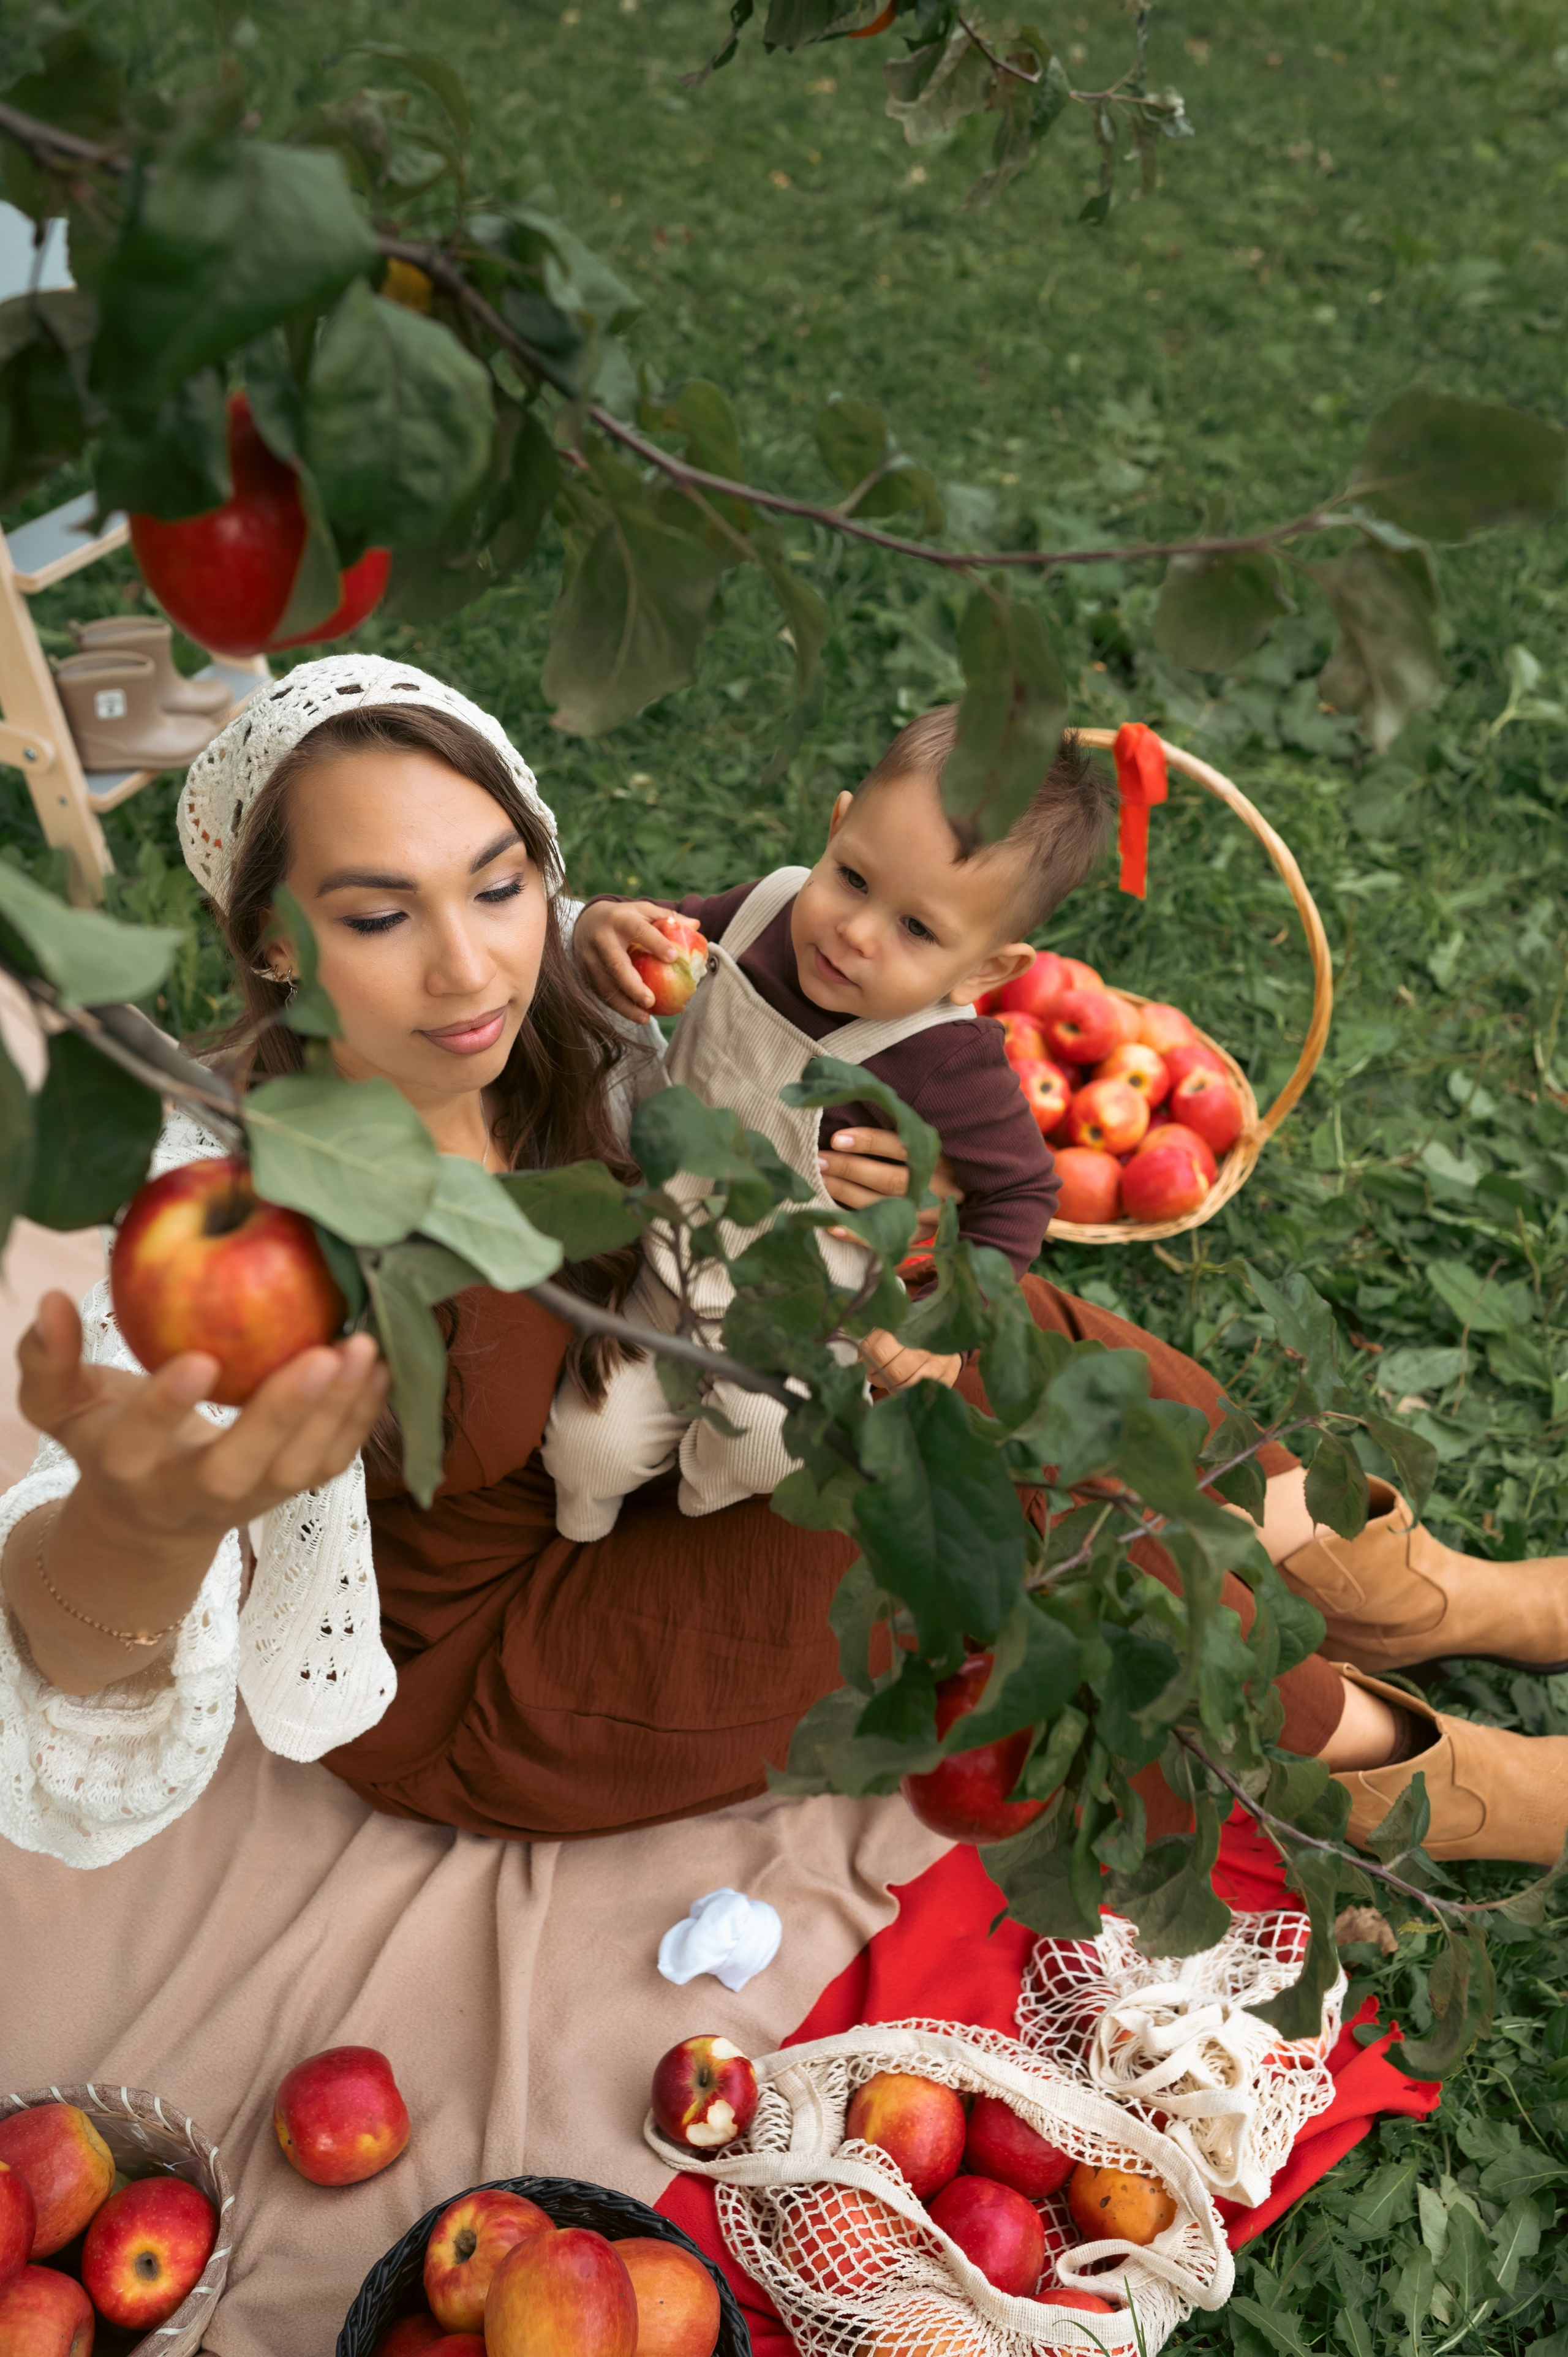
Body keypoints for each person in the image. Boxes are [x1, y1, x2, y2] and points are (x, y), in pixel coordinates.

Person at [3, 655, 1567, 1877]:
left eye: (496, 882)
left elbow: (758, 1071)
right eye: (374, 914)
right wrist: (148, 1521)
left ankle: (1382, 1589)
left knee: (1002, 1320)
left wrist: (899, 1187)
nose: (470, 962)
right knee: (989, 1505)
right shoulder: (251, 1227)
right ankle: (1388, 1770)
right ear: (273, 941)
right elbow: (59, 1648)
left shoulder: (568, 1005)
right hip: (508, 1647)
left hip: (669, 1417)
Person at [544, 709, 1113, 1539]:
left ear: (986, 970)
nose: (855, 932)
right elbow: (653, 932)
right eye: (852, 878)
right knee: (586, 1454)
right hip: (664, 1258)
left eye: (917, 929)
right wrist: (602, 923)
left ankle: (702, 1486)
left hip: (800, 1314)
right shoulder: (765, 910)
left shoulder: (946, 1061)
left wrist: (949, 1324)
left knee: (771, 1446)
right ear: (838, 826)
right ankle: (590, 1522)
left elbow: (1023, 1190)